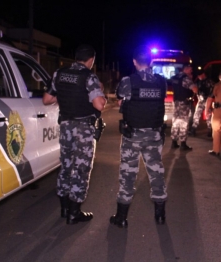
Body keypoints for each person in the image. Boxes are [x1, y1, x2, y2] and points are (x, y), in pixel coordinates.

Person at [42, 44, 107, 225]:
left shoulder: (59, 73)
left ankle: (63, 208)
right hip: (83, 129)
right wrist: (101, 95)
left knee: (66, 165)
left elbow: (47, 99)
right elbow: (99, 105)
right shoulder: (88, 76)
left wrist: (62, 97)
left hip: (66, 126)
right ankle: (74, 213)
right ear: (91, 60)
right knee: (81, 169)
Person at [109, 45, 168, 228]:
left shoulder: (128, 81)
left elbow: (120, 101)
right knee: (156, 172)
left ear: (134, 62)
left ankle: (121, 217)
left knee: (128, 174)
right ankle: (160, 214)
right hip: (154, 134)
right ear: (150, 62)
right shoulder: (161, 81)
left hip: (132, 135)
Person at [170, 64, 198, 150]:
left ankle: (174, 142)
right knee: (184, 123)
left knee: (175, 122)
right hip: (184, 103)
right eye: (190, 69)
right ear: (186, 69)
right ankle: (183, 143)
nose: (191, 71)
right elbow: (195, 89)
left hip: (176, 103)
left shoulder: (174, 77)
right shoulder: (186, 78)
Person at [189, 69, 214, 137]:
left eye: (200, 75)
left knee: (208, 116)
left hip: (207, 101)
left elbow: (213, 91)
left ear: (203, 74)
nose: (199, 76)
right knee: (196, 115)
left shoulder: (210, 81)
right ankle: (193, 129)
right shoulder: (198, 82)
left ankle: (210, 130)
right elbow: (195, 90)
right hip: (200, 101)